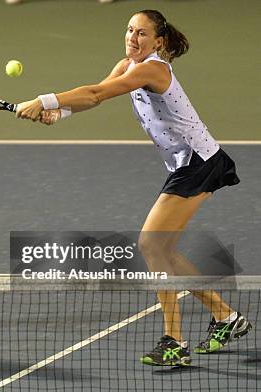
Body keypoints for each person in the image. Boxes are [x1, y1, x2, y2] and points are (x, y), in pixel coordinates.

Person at [15, 9, 251, 366]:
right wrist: (58, 114)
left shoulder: (154, 69)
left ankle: (175, 340)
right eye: (129, 30)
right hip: (186, 164)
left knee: (151, 243)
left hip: (199, 162)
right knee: (164, 251)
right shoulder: (126, 65)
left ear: (158, 41)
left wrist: (45, 99)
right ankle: (227, 317)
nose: (132, 38)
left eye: (141, 33)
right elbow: (96, 95)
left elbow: (94, 94)